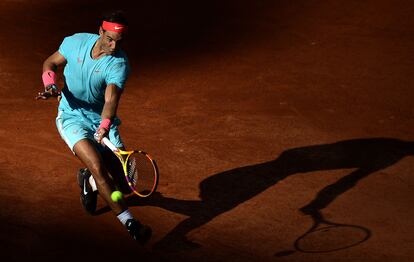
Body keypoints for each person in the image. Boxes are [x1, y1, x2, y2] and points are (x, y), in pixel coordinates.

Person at [36, 10, 152, 244]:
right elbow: (50, 62)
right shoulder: (75, 42)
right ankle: (130, 223)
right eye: (109, 39)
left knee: (126, 185)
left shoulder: (118, 64)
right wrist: (50, 85)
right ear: (100, 31)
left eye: (118, 42)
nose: (112, 46)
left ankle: (88, 182)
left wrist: (105, 125)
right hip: (71, 117)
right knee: (99, 167)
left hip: (101, 119)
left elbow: (111, 101)